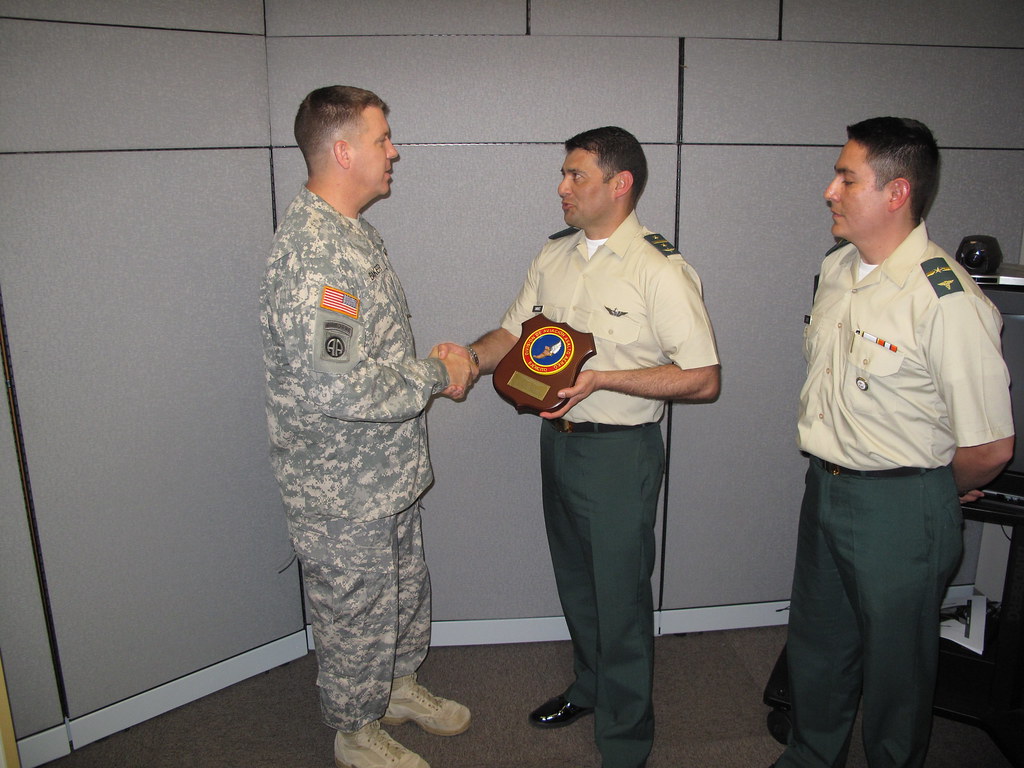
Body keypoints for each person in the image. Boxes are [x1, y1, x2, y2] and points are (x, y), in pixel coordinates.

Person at [440, 126, 721, 768]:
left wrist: (604, 377)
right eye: (563, 174)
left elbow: (702, 377)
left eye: (576, 176)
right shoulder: (556, 255)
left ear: (619, 184)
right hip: (558, 443)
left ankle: (624, 740)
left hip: (620, 453)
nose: (562, 187)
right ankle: (592, 687)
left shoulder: (660, 269)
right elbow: (512, 334)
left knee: (620, 598)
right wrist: (467, 358)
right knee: (578, 584)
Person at [772, 117, 1015, 768]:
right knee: (817, 649)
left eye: (847, 177)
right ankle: (809, 758)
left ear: (896, 193)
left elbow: (990, 447)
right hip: (825, 488)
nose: (830, 190)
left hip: (902, 507)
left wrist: (933, 496)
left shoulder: (946, 300)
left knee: (895, 676)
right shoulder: (839, 271)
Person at [260, 85, 476, 768]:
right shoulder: (314, 256)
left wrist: (424, 368)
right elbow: (342, 383)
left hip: (385, 474)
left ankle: (397, 689)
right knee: (355, 613)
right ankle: (356, 731)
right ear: (344, 149)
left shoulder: (353, 234)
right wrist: (439, 373)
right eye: (383, 139)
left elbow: (361, 356)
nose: (394, 151)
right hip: (342, 494)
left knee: (403, 590)